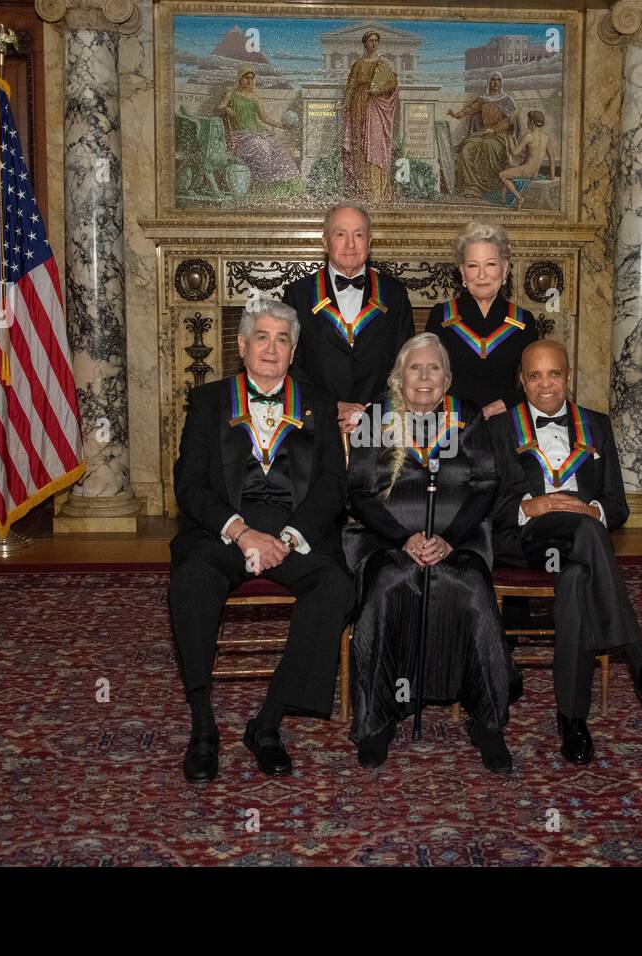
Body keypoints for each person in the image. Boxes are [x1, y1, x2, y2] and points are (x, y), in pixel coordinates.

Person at [168, 300, 354, 784]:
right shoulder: (209, 400)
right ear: (242, 345)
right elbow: (189, 485)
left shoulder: (319, 400)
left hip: (294, 534)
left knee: (335, 586)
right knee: (191, 580)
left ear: (293, 351)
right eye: (263, 338)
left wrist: (289, 538)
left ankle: (267, 722)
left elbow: (334, 484)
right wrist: (241, 531)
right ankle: (204, 726)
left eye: (282, 339)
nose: (272, 348)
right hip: (225, 531)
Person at [343, 333, 521, 774]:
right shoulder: (376, 419)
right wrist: (403, 539)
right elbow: (358, 495)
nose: (424, 377)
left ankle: (487, 720)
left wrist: (450, 539)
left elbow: (486, 485)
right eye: (414, 368)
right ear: (398, 377)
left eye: (434, 368)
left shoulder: (468, 419)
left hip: (458, 539)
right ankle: (378, 719)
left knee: (471, 585)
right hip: (383, 540)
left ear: (448, 377)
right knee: (389, 584)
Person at [493, 340, 642, 765]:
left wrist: (591, 509)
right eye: (534, 376)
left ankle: (572, 719)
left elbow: (617, 504)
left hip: (579, 546)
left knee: (576, 578)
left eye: (553, 374)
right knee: (588, 531)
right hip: (527, 540)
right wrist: (527, 506)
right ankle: (639, 656)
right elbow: (484, 504)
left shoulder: (597, 424)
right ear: (521, 380)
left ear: (568, 377)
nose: (545, 384)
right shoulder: (498, 428)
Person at [283, 202, 415, 434]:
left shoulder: (395, 294)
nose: (350, 244)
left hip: (379, 425)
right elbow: (290, 366)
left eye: (359, 234)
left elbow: (405, 364)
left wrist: (373, 412)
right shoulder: (298, 294)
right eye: (340, 234)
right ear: (325, 241)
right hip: (317, 425)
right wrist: (332, 407)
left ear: (370, 242)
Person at [426, 221, 538, 419]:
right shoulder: (441, 316)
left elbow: (536, 381)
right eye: (472, 266)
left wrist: (507, 403)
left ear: (504, 269)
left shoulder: (523, 321)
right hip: (453, 423)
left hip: (507, 421)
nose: (481, 275)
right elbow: (426, 378)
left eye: (491, 264)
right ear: (462, 271)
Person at [214, 67, 299, 185]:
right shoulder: (232, 94)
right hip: (240, 135)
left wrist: (282, 126)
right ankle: (263, 182)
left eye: (251, 78)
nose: (249, 81)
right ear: (240, 78)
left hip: (258, 131)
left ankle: (280, 182)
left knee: (279, 149)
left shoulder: (254, 98)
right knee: (260, 149)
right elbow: (218, 109)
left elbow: (264, 118)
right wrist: (227, 108)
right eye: (246, 78)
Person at [341, 31, 398, 201]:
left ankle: (376, 190)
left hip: (375, 106)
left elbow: (392, 84)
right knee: (359, 143)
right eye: (370, 41)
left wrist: (378, 90)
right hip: (359, 104)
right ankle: (361, 189)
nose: (373, 44)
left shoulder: (384, 63)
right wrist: (345, 103)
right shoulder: (358, 64)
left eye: (376, 41)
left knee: (374, 145)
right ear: (364, 43)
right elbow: (351, 85)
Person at [449, 73, 519, 200]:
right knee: (466, 149)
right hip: (483, 132)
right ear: (489, 82)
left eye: (498, 80)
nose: (496, 82)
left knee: (489, 146)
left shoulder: (507, 100)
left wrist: (494, 130)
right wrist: (456, 114)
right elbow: (469, 109)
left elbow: (510, 122)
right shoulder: (483, 99)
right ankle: (471, 187)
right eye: (493, 80)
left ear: (501, 82)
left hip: (499, 135)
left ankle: (490, 186)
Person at [499, 109, 554, 207]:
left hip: (527, 171)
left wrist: (509, 138)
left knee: (502, 175)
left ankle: (519, 198)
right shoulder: (546, 137)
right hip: (535, 173)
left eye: (528, 121)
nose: (527, 123)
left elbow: (515, 152)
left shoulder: (529, 136)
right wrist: (552, 176)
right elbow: (552, 157)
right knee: (508, 169)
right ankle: (502, 199)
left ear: (532, 122)